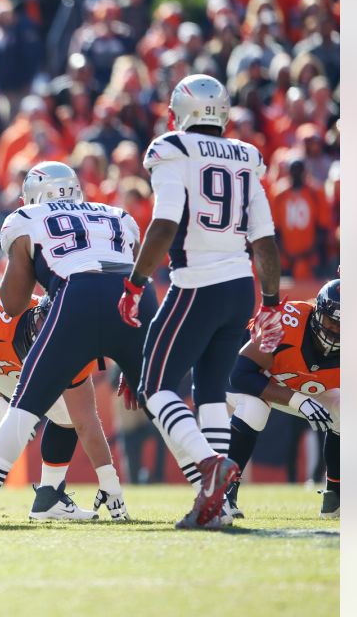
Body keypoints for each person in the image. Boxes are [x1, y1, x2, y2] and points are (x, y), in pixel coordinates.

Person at [115, 75, 284, 529]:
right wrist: (270, 300)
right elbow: (264, 240)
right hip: (239, 287)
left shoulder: (174, 149)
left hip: (198, 284)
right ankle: (221, 504)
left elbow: (165, 225)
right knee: (210, 394)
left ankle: (210, 470)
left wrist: (135, 284)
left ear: (179, 113)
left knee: (153, 388)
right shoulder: (247, 156)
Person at [0, 162, 155, 529]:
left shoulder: (26, 221)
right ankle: (215, 486)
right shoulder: (115, 215)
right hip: (126, 301)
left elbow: (14, 302)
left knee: (31, 410)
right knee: (163, 396)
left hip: (74, 303)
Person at [0, 291, 128, 521]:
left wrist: (109, 480)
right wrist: (3, 412)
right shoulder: (7, 309)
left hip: (7, 364)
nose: (46, 334)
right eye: (45, 323)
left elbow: (86, 420)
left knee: (68, 414)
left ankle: (49, 499)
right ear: (38, 313)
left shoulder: (75, 351)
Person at [226, 279, 340, 519]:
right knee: (255, 409)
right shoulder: (288, 323)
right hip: (251, 376)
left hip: (299, 383)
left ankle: (336, 498)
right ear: (318, 312)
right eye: (331, 321)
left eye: (343, 325)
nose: (335, 330)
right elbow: (239, 375)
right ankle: (224, 492)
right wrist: (297, 400)